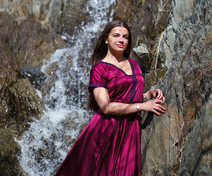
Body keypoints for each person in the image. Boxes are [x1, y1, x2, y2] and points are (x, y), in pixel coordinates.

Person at [55, 20, 166, 176]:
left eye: (125, 37)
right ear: (106, 39)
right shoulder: (99, 69)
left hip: (130, 127)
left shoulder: (134, 64)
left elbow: (126, 96)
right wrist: (142, 107)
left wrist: (147, 95)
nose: (121, 40)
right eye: (116, 35)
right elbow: (106, 107)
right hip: (106, 130)